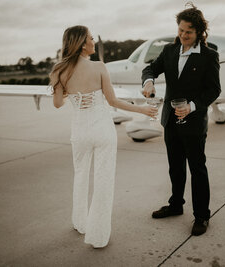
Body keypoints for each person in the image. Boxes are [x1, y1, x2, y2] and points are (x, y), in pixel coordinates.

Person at [50, 25, 157, 248]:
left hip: (79, 132)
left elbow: (58, 104)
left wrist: (65, 88)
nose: (93, 42)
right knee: (103, 181)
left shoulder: (59, 71)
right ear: (81, 43)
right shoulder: (99, 67)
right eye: (90, 38)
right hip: (102, 130)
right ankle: (97, 236)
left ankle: (80, 223)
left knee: (80, 175)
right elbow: (113, 102)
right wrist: (142, 110)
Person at [141, 3, 221, 236]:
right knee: (175, 167)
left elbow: (213, 90)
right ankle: (176, 205)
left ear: (199, 33)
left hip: (194, 123)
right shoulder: (169, 51)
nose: (183, 35)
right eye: (180, 30)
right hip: (170, 120)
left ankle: (202, 216)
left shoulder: (209, 56)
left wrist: (192, 106)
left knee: (197, 168)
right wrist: (148, 82)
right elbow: (150, 70)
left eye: (188, 32)